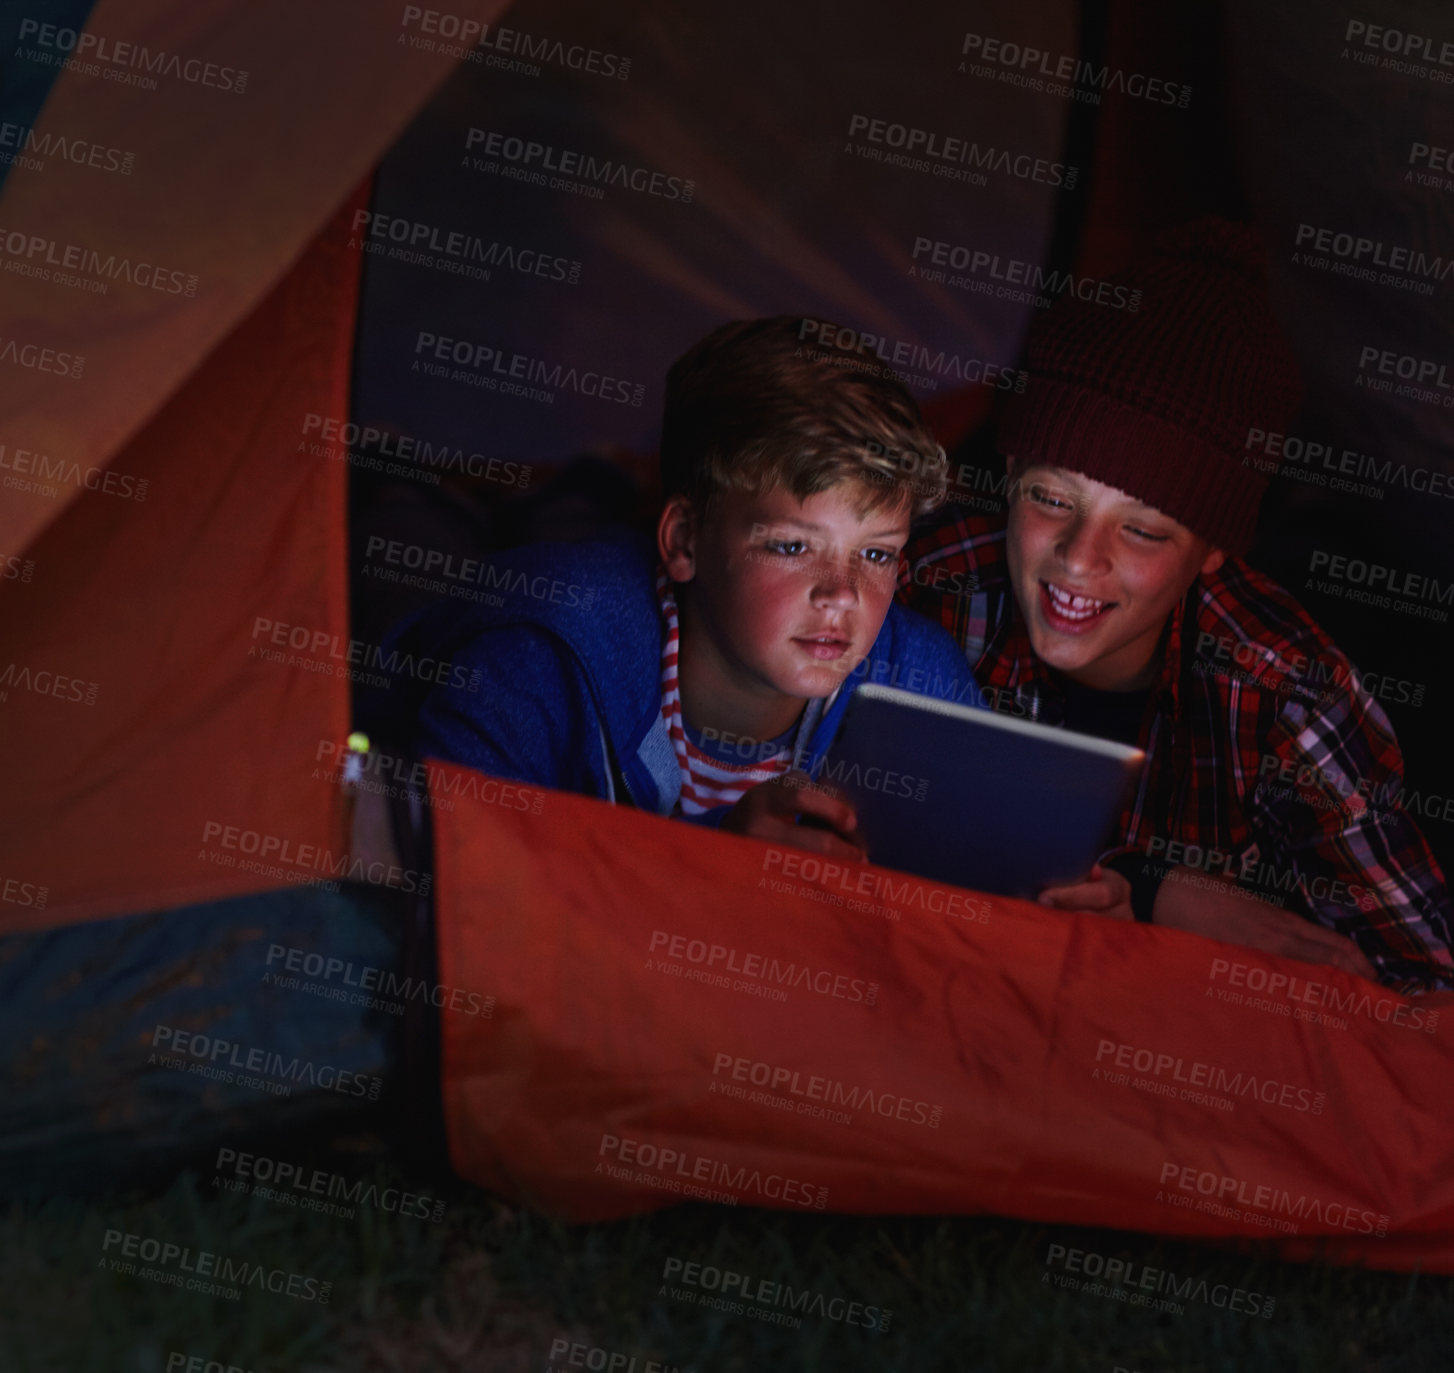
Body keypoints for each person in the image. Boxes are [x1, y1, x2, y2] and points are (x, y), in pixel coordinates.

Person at [902, 219, 1454, 992]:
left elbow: (1427, 982)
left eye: (1142, 529)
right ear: (1014, 469)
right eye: (1053, 497)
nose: (1080, 557)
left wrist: (1174, 917)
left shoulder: (1291, 695)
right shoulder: (924, 577)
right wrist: (1156, 884)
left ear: (1214, 550)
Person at [384, 315, 982, 857]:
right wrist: (712, 861)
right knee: (411, 529)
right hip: (465, 585)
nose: (843, 594)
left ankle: (587, 486)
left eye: (876, 553)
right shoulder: (538, 650)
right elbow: (443, 872)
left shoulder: (921, 686)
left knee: (570, 514)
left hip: (608, 548)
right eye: (793, 545)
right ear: (686, 541)